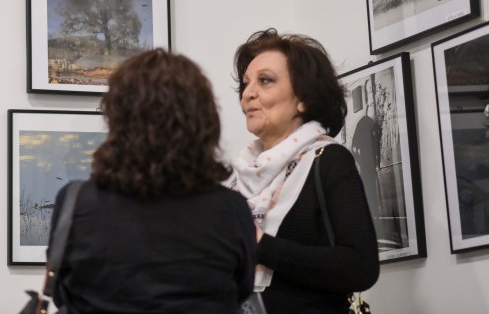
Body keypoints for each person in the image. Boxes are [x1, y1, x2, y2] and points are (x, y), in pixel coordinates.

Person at [49, 48, 257, 314]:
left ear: (117, 118)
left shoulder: (75, 201)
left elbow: (61, 293)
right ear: (203, 121)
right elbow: (241, 291)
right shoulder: (232, 209)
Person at [229, 29, 379, 313]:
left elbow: (361, 267)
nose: (248, 94)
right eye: (246, 84)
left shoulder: (328, 160)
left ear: (303, 99)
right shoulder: (236, 180)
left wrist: (260, 244)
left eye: (265, 81)